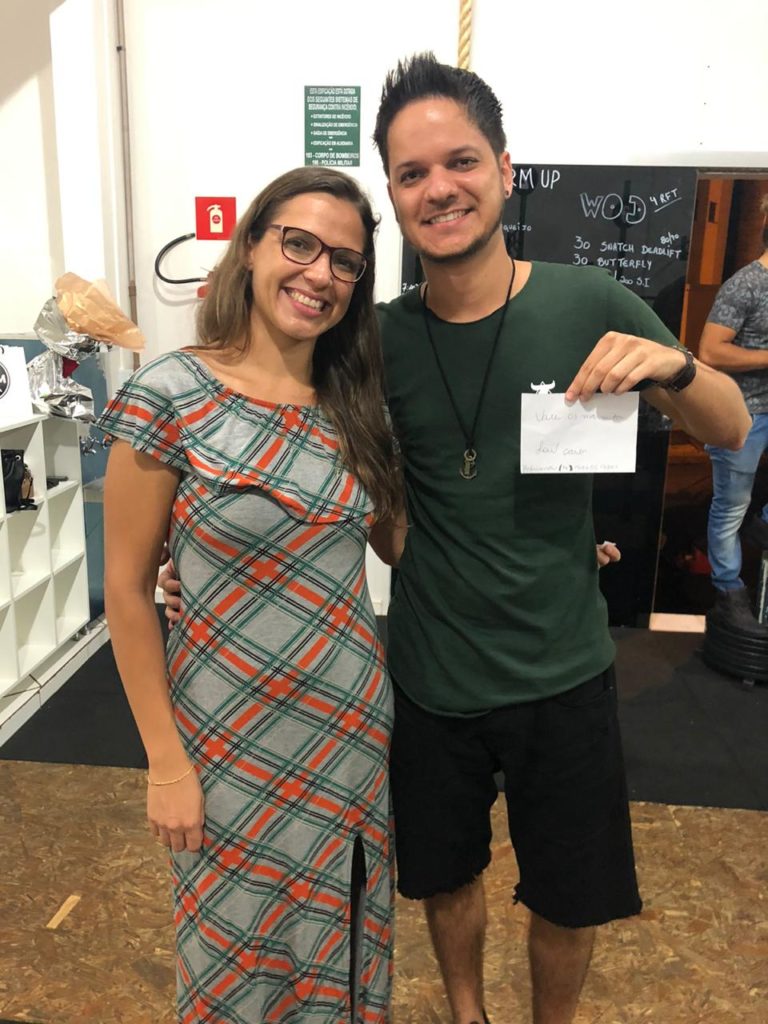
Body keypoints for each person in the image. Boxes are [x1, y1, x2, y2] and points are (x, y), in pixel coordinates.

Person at [163, 56, 749, 1024]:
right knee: (446, 875)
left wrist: (675, 365)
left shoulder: (588, 301)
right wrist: (206, 563)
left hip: (564, 669)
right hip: (430, 675)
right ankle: (468, 1013)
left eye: (461, 161)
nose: (439, 187)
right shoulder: (373, 338)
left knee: (570, 895)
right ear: (394, 196)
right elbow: (284, 444)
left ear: (505, 170)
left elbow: (730, 426)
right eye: (412, 172)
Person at [99, 167, 402, 1024]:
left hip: (348, 739)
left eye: (344, 261)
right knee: (232, 965)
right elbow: (126, 590)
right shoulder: (171, 394)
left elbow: (400, 545)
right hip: (226, 741)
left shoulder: (355, 407)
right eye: (299, 244)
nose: (319, 274)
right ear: (252, 247)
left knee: (339, 958)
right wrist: (165, 763)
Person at [698, 194, 768, 635]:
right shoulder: (746, 284)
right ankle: (729, 592)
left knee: (744, 512)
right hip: (744, 414)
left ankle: (763, 532)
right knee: (731, 507)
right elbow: (710, 351)